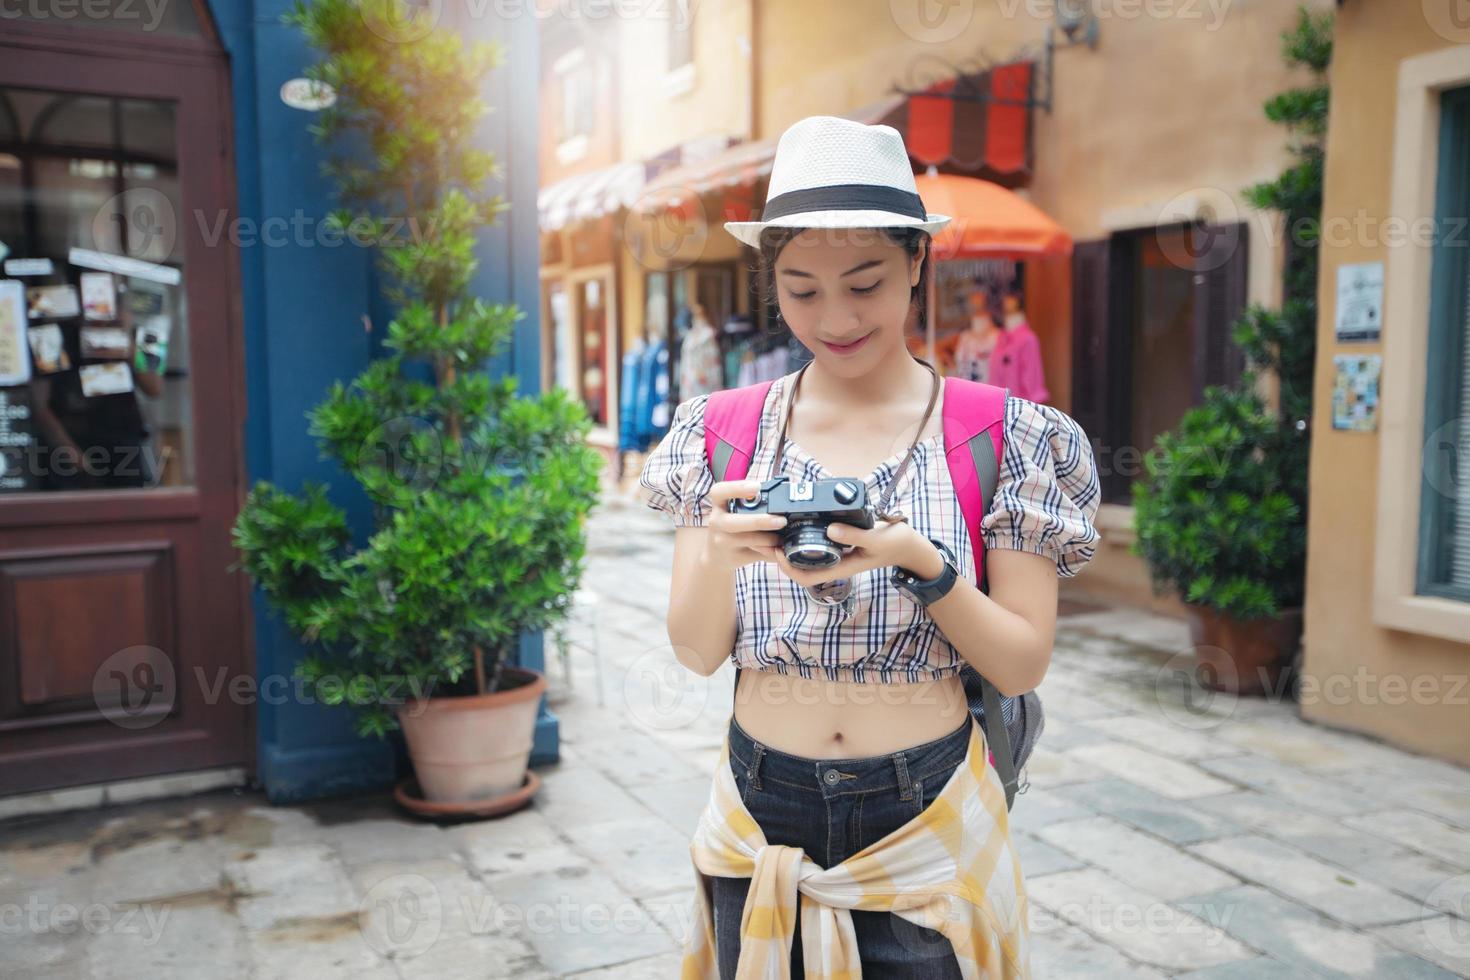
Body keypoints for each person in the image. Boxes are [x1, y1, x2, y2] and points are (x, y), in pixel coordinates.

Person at [639, 115, 1100, 978]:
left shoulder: (1004, 434)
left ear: (918, 263)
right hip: (757, 812)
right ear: (771, 280)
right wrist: (716, 543)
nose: (836, 317)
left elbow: (1023, 661)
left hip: (924, 812)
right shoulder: (722, 434)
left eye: (866, 283)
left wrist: (918, 562)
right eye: (802, 290)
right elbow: (698, 651)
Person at [987, 283, 1050, 403]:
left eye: (1010, 298)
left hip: (1018, 410)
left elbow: (1033, 381)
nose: (1006, 301)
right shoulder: (1000, 337)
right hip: (998, 407)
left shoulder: (1028, 339)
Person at [952, 285, 1001, 383]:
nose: (977, 304)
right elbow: (959, 365)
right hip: (969, 389)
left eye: (980, 300)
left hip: (992, 389)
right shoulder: (965, 337)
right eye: (974, 303)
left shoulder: (998, 336)